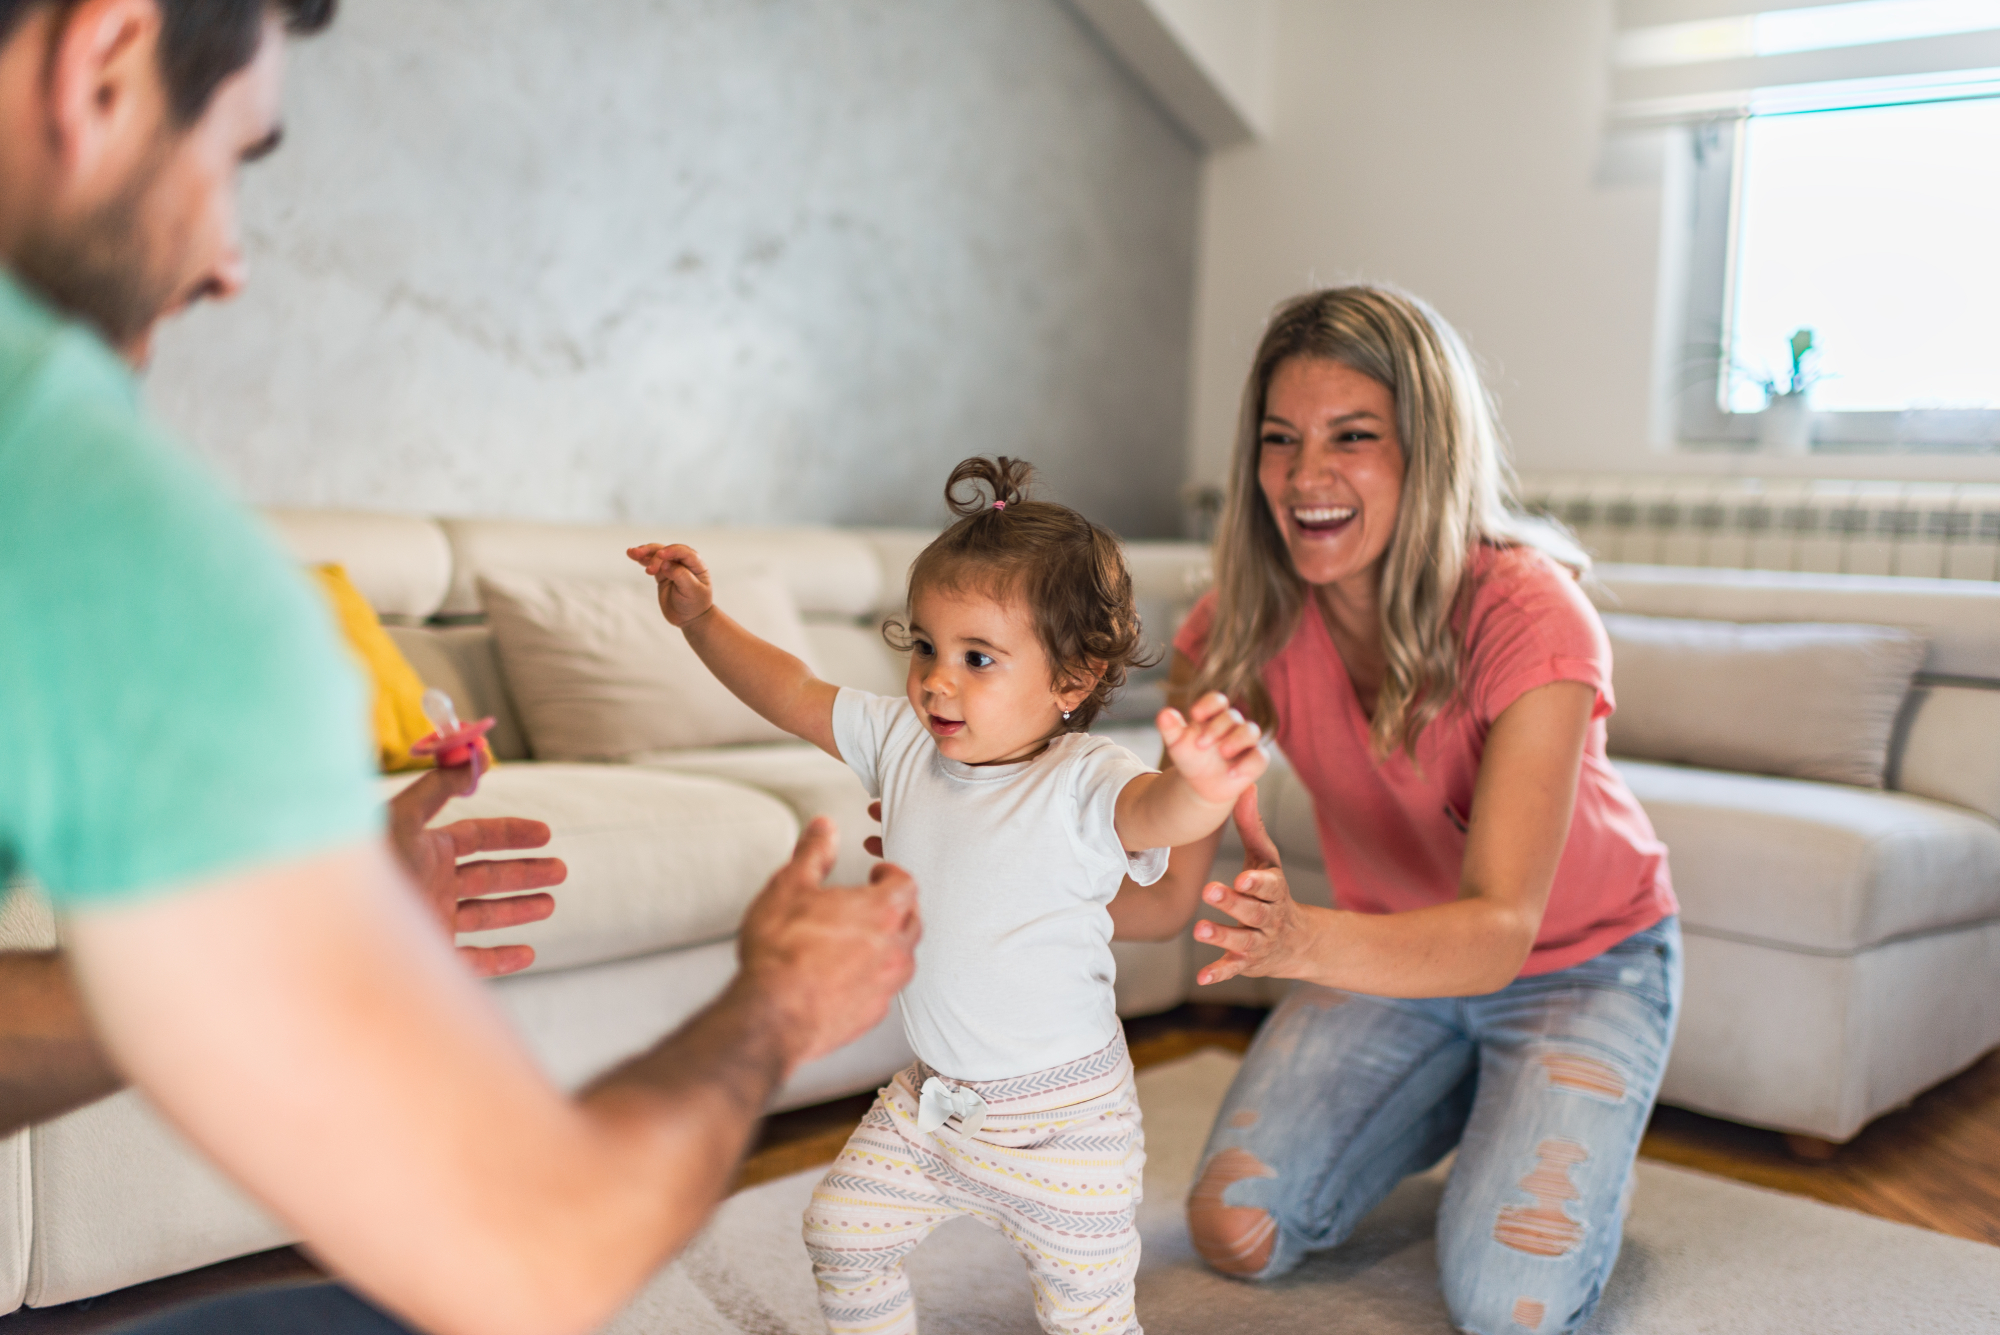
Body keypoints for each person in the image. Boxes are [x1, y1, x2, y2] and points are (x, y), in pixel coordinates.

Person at [0, 2, 921, 1333]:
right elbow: (531, 1249)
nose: (228, 261)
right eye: (234, 159)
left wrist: (236, 962)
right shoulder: (109, 527)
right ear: (103, 61)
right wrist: (779, 1001)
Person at [1109, 286, 1682, 1335]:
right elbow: (1160, 891)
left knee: (1513, 1306)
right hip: (1385, 961)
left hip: (1582, 963)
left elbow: (1498, 932)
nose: (1304, 476)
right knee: (1235, 1231)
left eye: (1351, 438)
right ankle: (1468, 1093)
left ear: (1428, 450)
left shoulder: (1529, 615)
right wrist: (980, 870)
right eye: (1278, 441)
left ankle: (1551, 1116)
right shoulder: (1234, 625)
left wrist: (1296, 938)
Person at [628, 455, 1268, 1335]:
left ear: (1072, 682)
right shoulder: (900, 738)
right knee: (841, 1232)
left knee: (1088, 1315)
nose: (937, 678)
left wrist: (1202, 782)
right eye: (925, 645)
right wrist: (703, 621)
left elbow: (1159, 816)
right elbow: (790, 691)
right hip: (934, 1107)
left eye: (978, 658)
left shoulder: (1085, 779)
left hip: (1066, 1128)